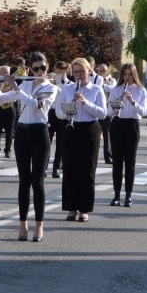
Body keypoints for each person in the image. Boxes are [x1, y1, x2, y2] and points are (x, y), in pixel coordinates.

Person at [0, 52, 57, 242]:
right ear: (30, 69)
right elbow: (2, 99)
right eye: (35, 69)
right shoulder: (25, 84)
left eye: (42, 68)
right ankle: (22, 224)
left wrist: (15, 87)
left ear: (47, 66)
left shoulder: (50, 87)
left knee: (38, 182)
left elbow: (36, 105)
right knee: (24, 182)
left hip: (40, 133)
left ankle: (39, 225)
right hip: (22, 132)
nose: (39, 71)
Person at [54, 58, 107, 221]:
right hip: (70, 128)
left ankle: (84, 209)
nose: (79, 75)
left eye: (82, 71)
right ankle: (71, 208)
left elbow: (102, 113)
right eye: (76, 72)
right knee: (70, 169)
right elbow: (58, 113)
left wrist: (85, 103)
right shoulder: (66, 89)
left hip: (90, 129)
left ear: (89, 71)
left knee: (87, 170)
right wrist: (69, 108)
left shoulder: (96, 89)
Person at [107, 63, 147, 207]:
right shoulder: (116, 89)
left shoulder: (141, 90)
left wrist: (132, 101)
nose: (127, 77)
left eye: (130, 74)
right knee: (117, 161)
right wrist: (115, 105)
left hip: (132, 125)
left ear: (134, 75)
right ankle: (116, 195)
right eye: (125, 74)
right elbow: (108, 112)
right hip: (117, 124)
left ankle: (128, 196)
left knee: (130, 162)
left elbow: (143, 112)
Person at [49, 61, 71, 178]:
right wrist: (51, 84)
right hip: (50, 112)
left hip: (62, 113)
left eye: (62, 72)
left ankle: (56, 168)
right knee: (47, 141)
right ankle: (44, 167)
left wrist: (57, 86)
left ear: (66, 71)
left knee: (60, 143)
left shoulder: (70, 84)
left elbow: (68, 98)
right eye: (57, 72)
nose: (59, 75)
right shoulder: (49, 82)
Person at [0, 66, 16, 158]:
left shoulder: (12, 82)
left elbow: (16, 94)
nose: (6, 74)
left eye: (7, 72)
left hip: (9, 107)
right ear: (0, 72)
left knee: (9, 131)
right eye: (3, 72)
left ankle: (7, 151)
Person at [95, 64, 116, 165]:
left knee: (107, 133)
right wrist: (100, 82)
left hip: (107, 109)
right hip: (96, 109)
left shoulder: (112, 80)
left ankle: (108, 156)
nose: (102, 73)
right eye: (100, 71)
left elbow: (113, 89)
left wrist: (103, 84)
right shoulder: (95, 79)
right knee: (95, 134)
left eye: (104, 71)